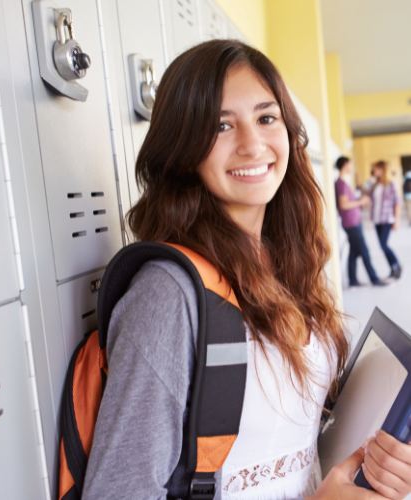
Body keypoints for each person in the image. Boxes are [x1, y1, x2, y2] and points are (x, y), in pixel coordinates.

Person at [82, 40, 411, 500]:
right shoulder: (169, 295)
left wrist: (380, 462)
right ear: (183, 148)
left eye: (266, 117)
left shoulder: (288, 267)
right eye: (220, 125)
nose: (252, 144)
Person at [334, 157, 387, 288]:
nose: (352, 167)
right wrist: (360, 202)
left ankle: (352, 280)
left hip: (353, 221)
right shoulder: (340, 183)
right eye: (350, 164)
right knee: (364, 251)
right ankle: (375, 279)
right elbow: (343, 204)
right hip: (351, 223)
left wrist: (359, 200)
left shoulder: (343, 182)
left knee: (354, 252)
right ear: (346, 164)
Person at [369, 160, 402, 279]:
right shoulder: (375, 184)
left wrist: (396, 221)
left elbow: (397, 203)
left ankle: (397, 265)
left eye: (376, 169)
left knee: (383, 245)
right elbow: (367, 197)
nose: (374, 171)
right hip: (377, 219)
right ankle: (393, 268)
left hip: (387, 219)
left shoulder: (391, 184)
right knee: (382, 245)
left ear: (382, 170)